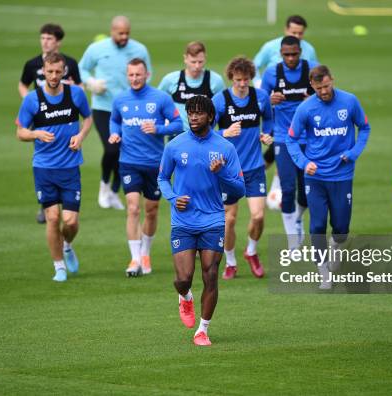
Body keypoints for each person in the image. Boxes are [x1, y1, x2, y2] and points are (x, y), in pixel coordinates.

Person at [158, 96, 245, 346]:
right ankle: (185, 296)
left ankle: (203, 330)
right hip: (183, 221)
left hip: (213, 220)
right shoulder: (174, 146)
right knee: (183, 278)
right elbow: (163, 178)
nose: (193, 117)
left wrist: (222, 174)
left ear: (210, 116)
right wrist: (173, 198)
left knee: (211, 274)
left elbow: (239, 189)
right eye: (190, 112)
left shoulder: (225, 148)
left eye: (198, 113)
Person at [286, 65, 370, 289]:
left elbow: (365, 128)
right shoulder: (305, 108)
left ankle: (335, 247)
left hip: (342, 175)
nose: (324, 91)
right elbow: (291, 139)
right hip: (316, 177)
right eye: (319, 88)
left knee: (341, 228)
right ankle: (323, 272)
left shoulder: (349, 101)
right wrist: (304, 163)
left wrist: (353, 154)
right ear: (312, 86)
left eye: (326, 86)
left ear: (332, 80)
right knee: (317, 225)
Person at [16, 53, 92, 282]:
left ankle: (67, 245)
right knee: (52, 217)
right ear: (43, 71)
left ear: (64, 71)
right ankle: (59, 266)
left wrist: (80, 136)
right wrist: (35, 133)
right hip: (44, 169)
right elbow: (19, 132)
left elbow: (88, 119)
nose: (53, 76)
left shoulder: (75, 93)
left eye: (58, 72)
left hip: (70, 168)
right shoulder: (32, 99)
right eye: (49, 71)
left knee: (70, 221)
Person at [108, 58, 182, 276]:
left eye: (138, 75)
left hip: (155, 164)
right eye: (130, 75)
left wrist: (158, 128)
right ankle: (134, 259)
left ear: (147, 74)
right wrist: (114, 133)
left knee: (151, 210)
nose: (134, 79)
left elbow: (178, 124)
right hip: (129, 162)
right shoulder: (120, 99)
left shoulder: (160, 98)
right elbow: (114, 120)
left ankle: (146, 252)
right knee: (133, 208)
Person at [79, 16, 152, 210]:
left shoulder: (139, 49)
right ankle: (104, 186)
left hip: (130, 110)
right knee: (112, 148)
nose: (124, 37)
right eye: (120, 33)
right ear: (112, 31)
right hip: (103, 107)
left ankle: (114, 190)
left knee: (125, 153)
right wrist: (92, 83)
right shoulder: (96, 49)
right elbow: (82, 69)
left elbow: (149, 75)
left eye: (127, 33)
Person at [212, 56, 273, 279]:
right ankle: (230, 262)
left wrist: (267, 134)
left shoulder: (261, 97)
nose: (242, 84)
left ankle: (251, 251)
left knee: (258, 216)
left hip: (255, 168)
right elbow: (205, 132)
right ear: (231, 78)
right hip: (228, 170)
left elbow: (269, 119)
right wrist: (224, 133)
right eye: (238, 80)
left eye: (246, 79)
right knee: (229, 220)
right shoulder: (220, 100)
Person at [18, 23, 83, 224]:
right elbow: (23, 84)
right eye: (42, 38)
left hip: (62, 108)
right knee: (45, 153)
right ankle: (46, 204)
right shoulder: (32, 64)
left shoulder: (70, 63)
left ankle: (54, 204)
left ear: (58, 42)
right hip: (41, 115)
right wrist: (30, 102)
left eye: (49, 38)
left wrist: (72, 89)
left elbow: (79, 86)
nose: (45, 42)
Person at [253, 15, 319, 207]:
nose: (297, 36)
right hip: (279, 116)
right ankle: (273, 186)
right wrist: (265, 94)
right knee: (278, 148)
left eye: (300, 33)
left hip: (304, 122)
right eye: (293, 32)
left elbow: (318, 79)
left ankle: (276, 186)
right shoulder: (270, 50)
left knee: (297, 174)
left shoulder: (309, 52)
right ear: (286, 30)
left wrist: (314, 96)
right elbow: (256, 66)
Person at [261, 35, 318, 251]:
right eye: (287, 55)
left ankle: (297, 218)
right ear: (281, 54)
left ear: (300, 52)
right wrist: (269, 100)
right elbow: (260, 103)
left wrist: (312, 99)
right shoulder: (272, 73)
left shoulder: (312, 69)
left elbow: (326, 96)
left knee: (305, 192)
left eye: (295, 54)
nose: (291, 58)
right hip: (284, 138)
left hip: (309, 138)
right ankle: (293, 242)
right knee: (287, 186)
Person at [158, 41, 225, 134]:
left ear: (205, 58)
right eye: (193, 62)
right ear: (185, 59)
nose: (197, 66)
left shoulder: (215, 81)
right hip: (178, 135)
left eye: (200, 62)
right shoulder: (171, 79)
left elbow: (222, 108)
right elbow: (158, 101)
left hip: (204, 134)